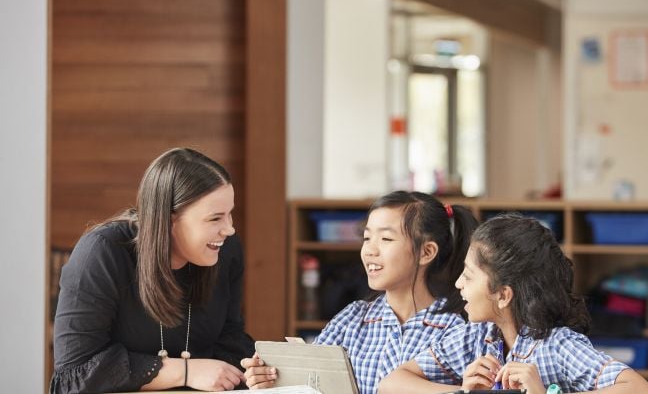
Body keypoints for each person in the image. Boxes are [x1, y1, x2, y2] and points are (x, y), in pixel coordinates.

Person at [378, 214, 648, 394]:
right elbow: (391, 384)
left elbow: (641, 390)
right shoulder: (473, 337)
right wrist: (461, 392)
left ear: (503, 295)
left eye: (469, 275)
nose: (458, 283)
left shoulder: (556, 345)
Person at [50, 147, 255, 393]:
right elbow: (73, 376)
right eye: (215, 218)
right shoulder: (102, 253)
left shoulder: (226, 251)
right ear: (168, 220)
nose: (229, 229)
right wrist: (185, 371)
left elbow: (229, 338)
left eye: (230, 214)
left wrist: (251, 369)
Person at [242, 191, 479, 394]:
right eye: (367, 238)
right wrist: (273, 378)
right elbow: (310, 382)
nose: (369, 250)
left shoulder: (455, 330)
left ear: (426, 252)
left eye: (386, 238)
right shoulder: (352, 319)